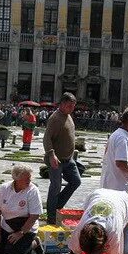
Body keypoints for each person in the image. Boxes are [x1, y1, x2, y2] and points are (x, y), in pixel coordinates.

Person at [0, 165, 44, 254]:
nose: (29, 181)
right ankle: (22, 245)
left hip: (26, 226)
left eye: (30, 178)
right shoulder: (4, 188)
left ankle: (34, 243)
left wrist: (21, 233)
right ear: (16, 179)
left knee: (13, 253)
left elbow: (34, 215)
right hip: (8, 225)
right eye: (26, 178)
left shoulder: (32, 190)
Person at [44, 92, 80, 224]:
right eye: (70, 105)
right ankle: (51, 217)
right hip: (56, 159)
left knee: (76, 181)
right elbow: (47, 138)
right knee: (55, 187)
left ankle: (57, 206)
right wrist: (51, 154)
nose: (72, 108)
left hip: (68, 159)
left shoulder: (68, 115)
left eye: (73, 106)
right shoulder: (55, 118)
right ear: (63, 104)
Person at [100, 108, 128, 191]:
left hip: (111, 182)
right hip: (117, 186)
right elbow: (121, 163)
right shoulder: (123, 138)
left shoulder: (117, 134)